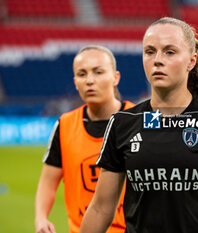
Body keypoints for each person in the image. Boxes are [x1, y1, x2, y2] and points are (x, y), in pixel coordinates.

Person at [80, 17, 198, 233]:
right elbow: (101, 208)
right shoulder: (122, 123)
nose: (157, 60)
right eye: (150, 52)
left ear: (191, 61)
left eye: (169, 52)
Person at [35, 45, 135, 233]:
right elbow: (48, 181)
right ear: (75, 82)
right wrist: (41, 218)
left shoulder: (138, 120)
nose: (90, 80)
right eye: (82, 74)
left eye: (98, 72)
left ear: (116, 78)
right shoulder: (65, 125)